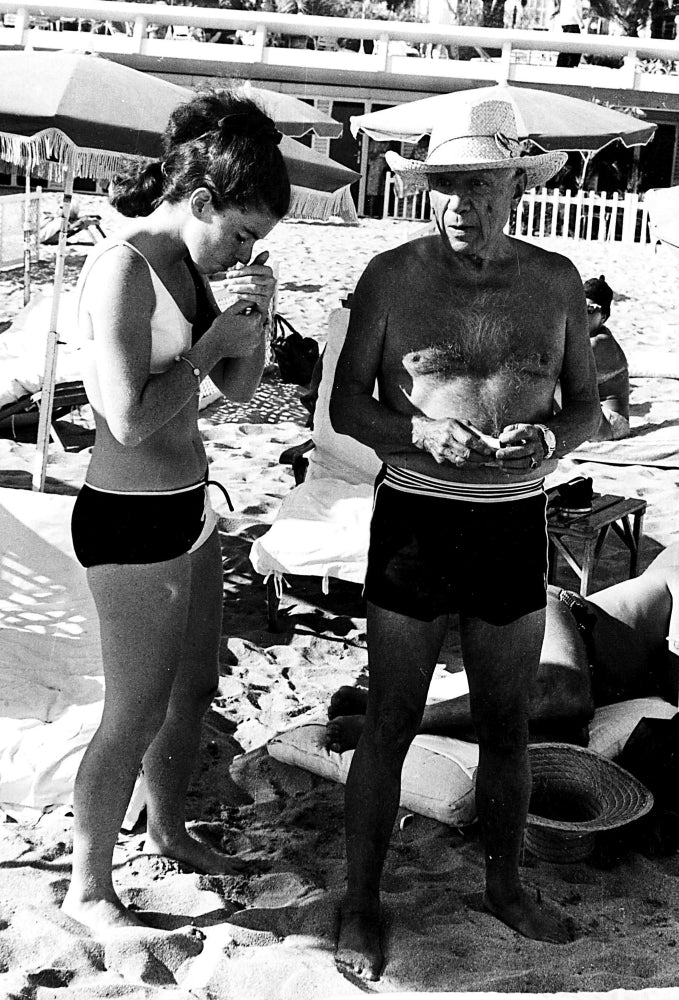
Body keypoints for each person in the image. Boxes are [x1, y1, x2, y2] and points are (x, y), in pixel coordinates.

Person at [328, 97, 601, 981]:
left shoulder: (556, 280)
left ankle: (504, 887)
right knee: (392, 721)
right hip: (417, 513)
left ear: (515, 188)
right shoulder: (391, 277)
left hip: (514, 518)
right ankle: (362, 904)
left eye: (479, 188)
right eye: (445, 186)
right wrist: (416, 436)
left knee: (507, 725)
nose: (459, 204)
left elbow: (586, 407)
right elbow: (343, 406)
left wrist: (551, 441)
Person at [62, 88, 290, 933]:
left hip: (188, 507)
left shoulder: (190, 269)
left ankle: (168, 829)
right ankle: (89, 890)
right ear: (199, 201)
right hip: (128, 517)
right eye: (239, 234)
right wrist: (204, 348)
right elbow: (122, 416)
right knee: (135, 711)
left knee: (194, 687)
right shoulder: (122, 267)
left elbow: (236, 388)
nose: (241, 251)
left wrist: (253, 318)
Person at [326, 543, 679, 754]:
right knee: (563, 691)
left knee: (559, 739)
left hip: (585, 668)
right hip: (568, 619)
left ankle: (385, 705)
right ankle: (403, 721)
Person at [584, 275, 630, 441]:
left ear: (603, 316)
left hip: (612, 423)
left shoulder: (599, 342)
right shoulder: (590, 337)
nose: (582, 314)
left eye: (590, 310)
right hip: (599, 419)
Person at [553, 0, 586, 67]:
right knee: (574, 46)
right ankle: (570, 63)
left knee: (566, 45)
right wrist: (580, 22)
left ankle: (562, 63)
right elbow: (573, 10)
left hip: (566, 22)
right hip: (572, 23)